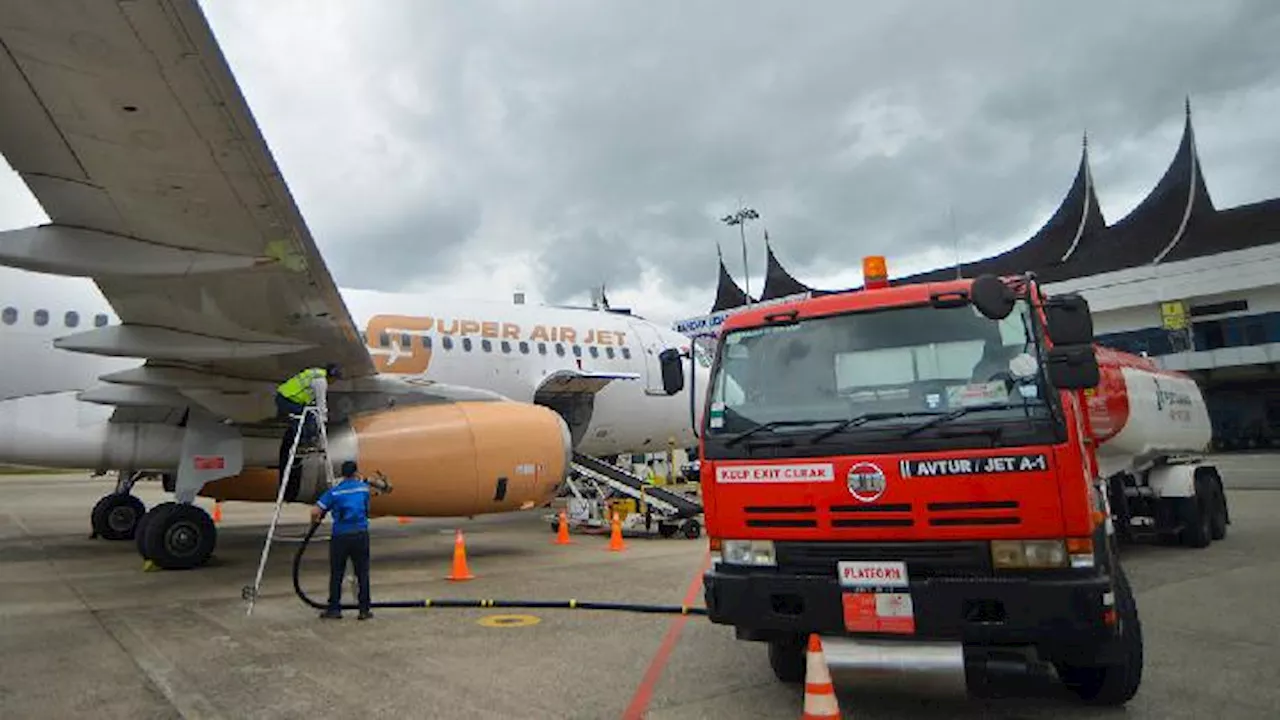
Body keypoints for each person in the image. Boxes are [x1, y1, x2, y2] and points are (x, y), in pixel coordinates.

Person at [312, 460, 390, 620]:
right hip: (360, 534)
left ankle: (334, 609)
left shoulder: (335, 492)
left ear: (342, 474)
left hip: (340, 535)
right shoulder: (363, 489)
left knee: (337, 573)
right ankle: (364, 610)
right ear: (355, 472)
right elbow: (368, 506)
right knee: (362, 573)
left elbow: (316, 510)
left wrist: (315, 521)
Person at [276, 363, 341, 478]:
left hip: (287, 397)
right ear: (332, 377)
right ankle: (304, 443)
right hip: (287, 399)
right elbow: (321, 403)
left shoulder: (316, 374)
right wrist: (323, 421)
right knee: (305, 418)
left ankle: (306, 442)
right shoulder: (321, 382)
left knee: (307, 416)